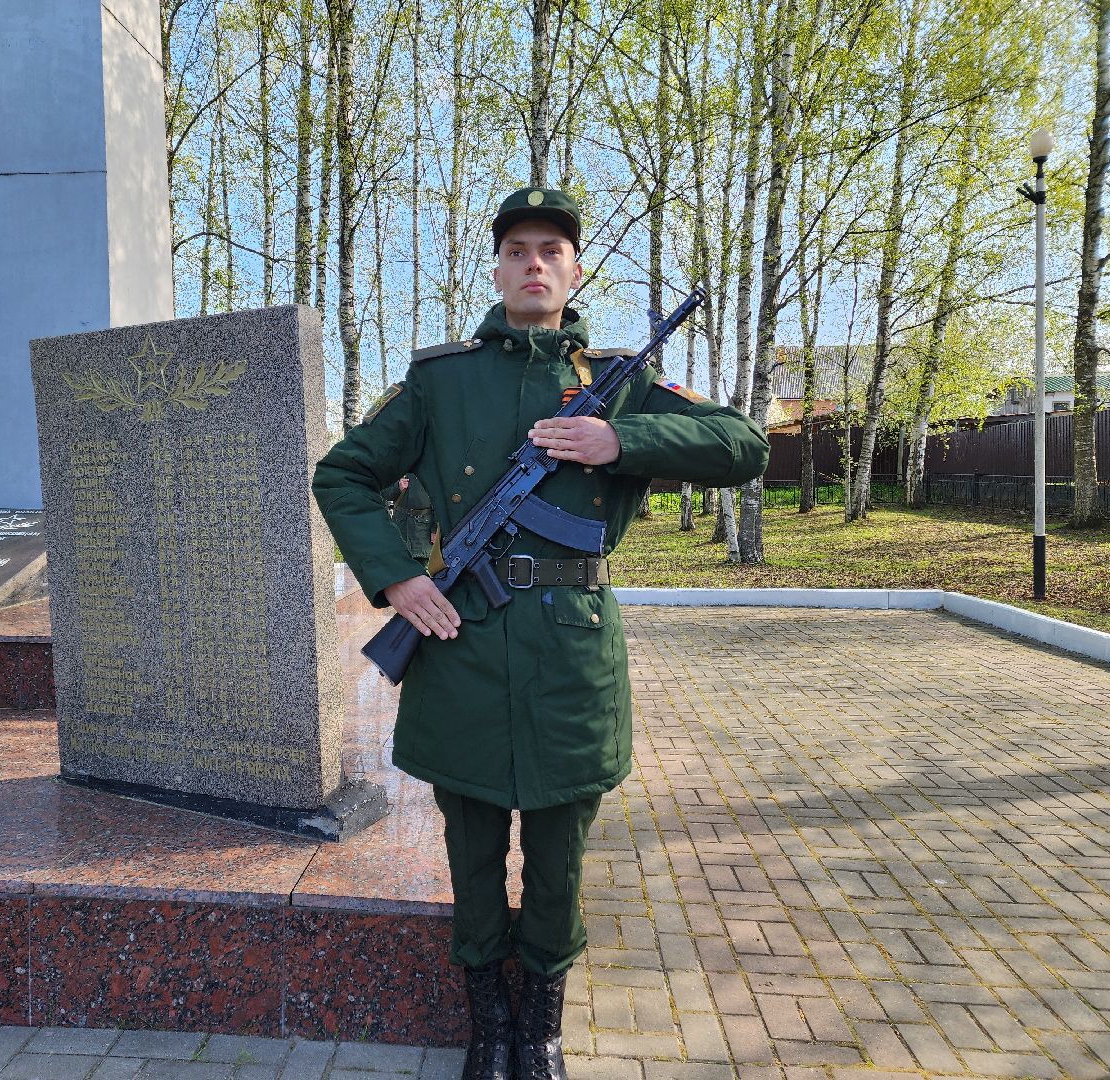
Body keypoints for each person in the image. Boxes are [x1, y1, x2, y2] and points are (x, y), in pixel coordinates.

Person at [312, 188, 769, 1080]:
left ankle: (542, 1031)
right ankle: (489, 1029)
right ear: (496, 268)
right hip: (462, 642)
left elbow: (743, 444)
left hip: (570, 655)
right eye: (517, 248)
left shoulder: (618, 379)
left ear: (574, 270)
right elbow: (343, 474)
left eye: (551, 250)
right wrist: (398, 578)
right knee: (472, 846)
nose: (533, 263)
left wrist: (618, 441)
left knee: (560, 852)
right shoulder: (442, 379)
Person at [382, 473, 435, 561]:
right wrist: (397, 487)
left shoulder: (431, 467)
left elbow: (440, 501)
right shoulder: (397, 465)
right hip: (400, 526)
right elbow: (384, 493)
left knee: (422, 568)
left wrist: (435, 529)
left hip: (423, 531)